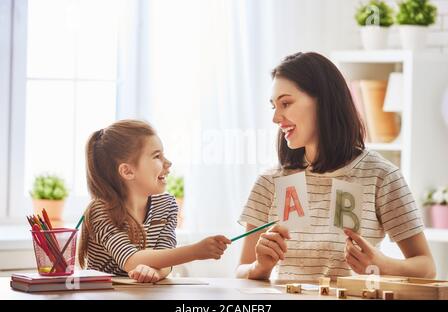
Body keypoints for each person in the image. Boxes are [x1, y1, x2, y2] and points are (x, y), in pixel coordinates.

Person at [236, 52, 435, 281]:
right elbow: (241, 270)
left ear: (324, 101)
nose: (276, 117)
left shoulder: (380, 176)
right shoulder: (270, 181)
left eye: (286, 103)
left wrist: (382, 264)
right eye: (274, 106)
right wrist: (259, 267)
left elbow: (427, 267)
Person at [78, 119, 231, 282]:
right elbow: (131, 260)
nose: (168, 163)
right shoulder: (101, 211)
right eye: (157, 156)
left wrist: (156, 273)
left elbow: (166, 258)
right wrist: (195, 251)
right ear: (127, 171)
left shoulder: (166, 205)